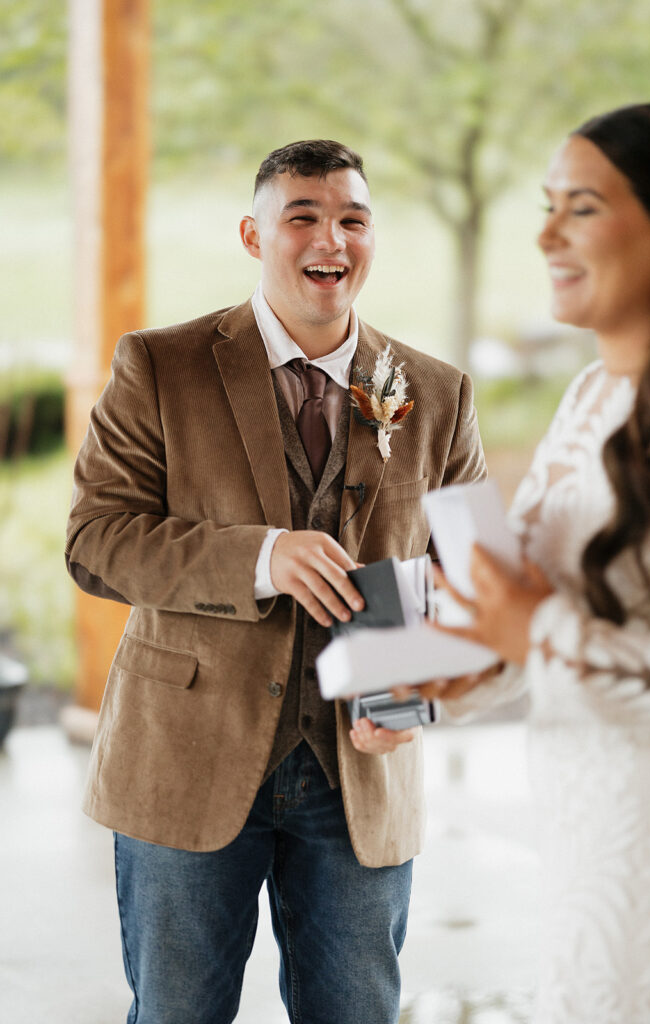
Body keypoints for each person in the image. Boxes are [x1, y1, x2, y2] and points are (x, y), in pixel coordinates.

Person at [65, 139, 486, 1024]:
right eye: (302, 216)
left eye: (352, 219)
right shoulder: (160, 365)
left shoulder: (437, 393)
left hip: (361, 780)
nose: (329, 237)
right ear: (255, 236)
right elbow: (96, 541)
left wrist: (414, 689)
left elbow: (475, 576)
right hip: (182, 761)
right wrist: (260, 557)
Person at [420, 103, 650, 1023]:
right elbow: (523, 606)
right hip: (581, 842)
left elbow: (548, 627)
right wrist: (465, 668)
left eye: (580, 206)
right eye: (545, 205)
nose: (543, 234)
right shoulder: (585, 395)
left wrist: (535, 633)